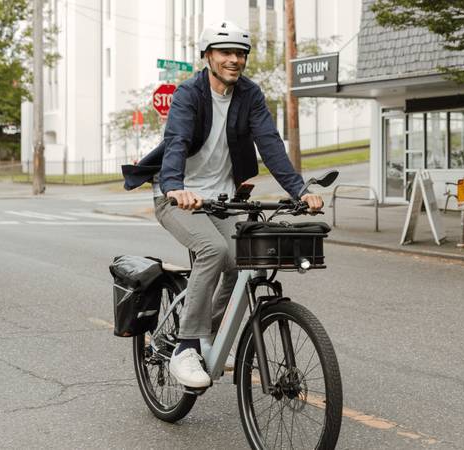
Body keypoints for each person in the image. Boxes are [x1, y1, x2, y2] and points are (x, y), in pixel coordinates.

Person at [122, 21, 323, 388]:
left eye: (240, 53)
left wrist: (300, 191)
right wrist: (174, 187)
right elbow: (177, 141)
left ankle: (207, 336)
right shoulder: (189, 94)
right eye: (226, 52)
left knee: (246, 257)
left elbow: (271, 145)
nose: (234, 60)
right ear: (208, 56)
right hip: (177, 196)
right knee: (213, 250)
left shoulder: (250, 95)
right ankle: (185, 347)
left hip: (223, 199)